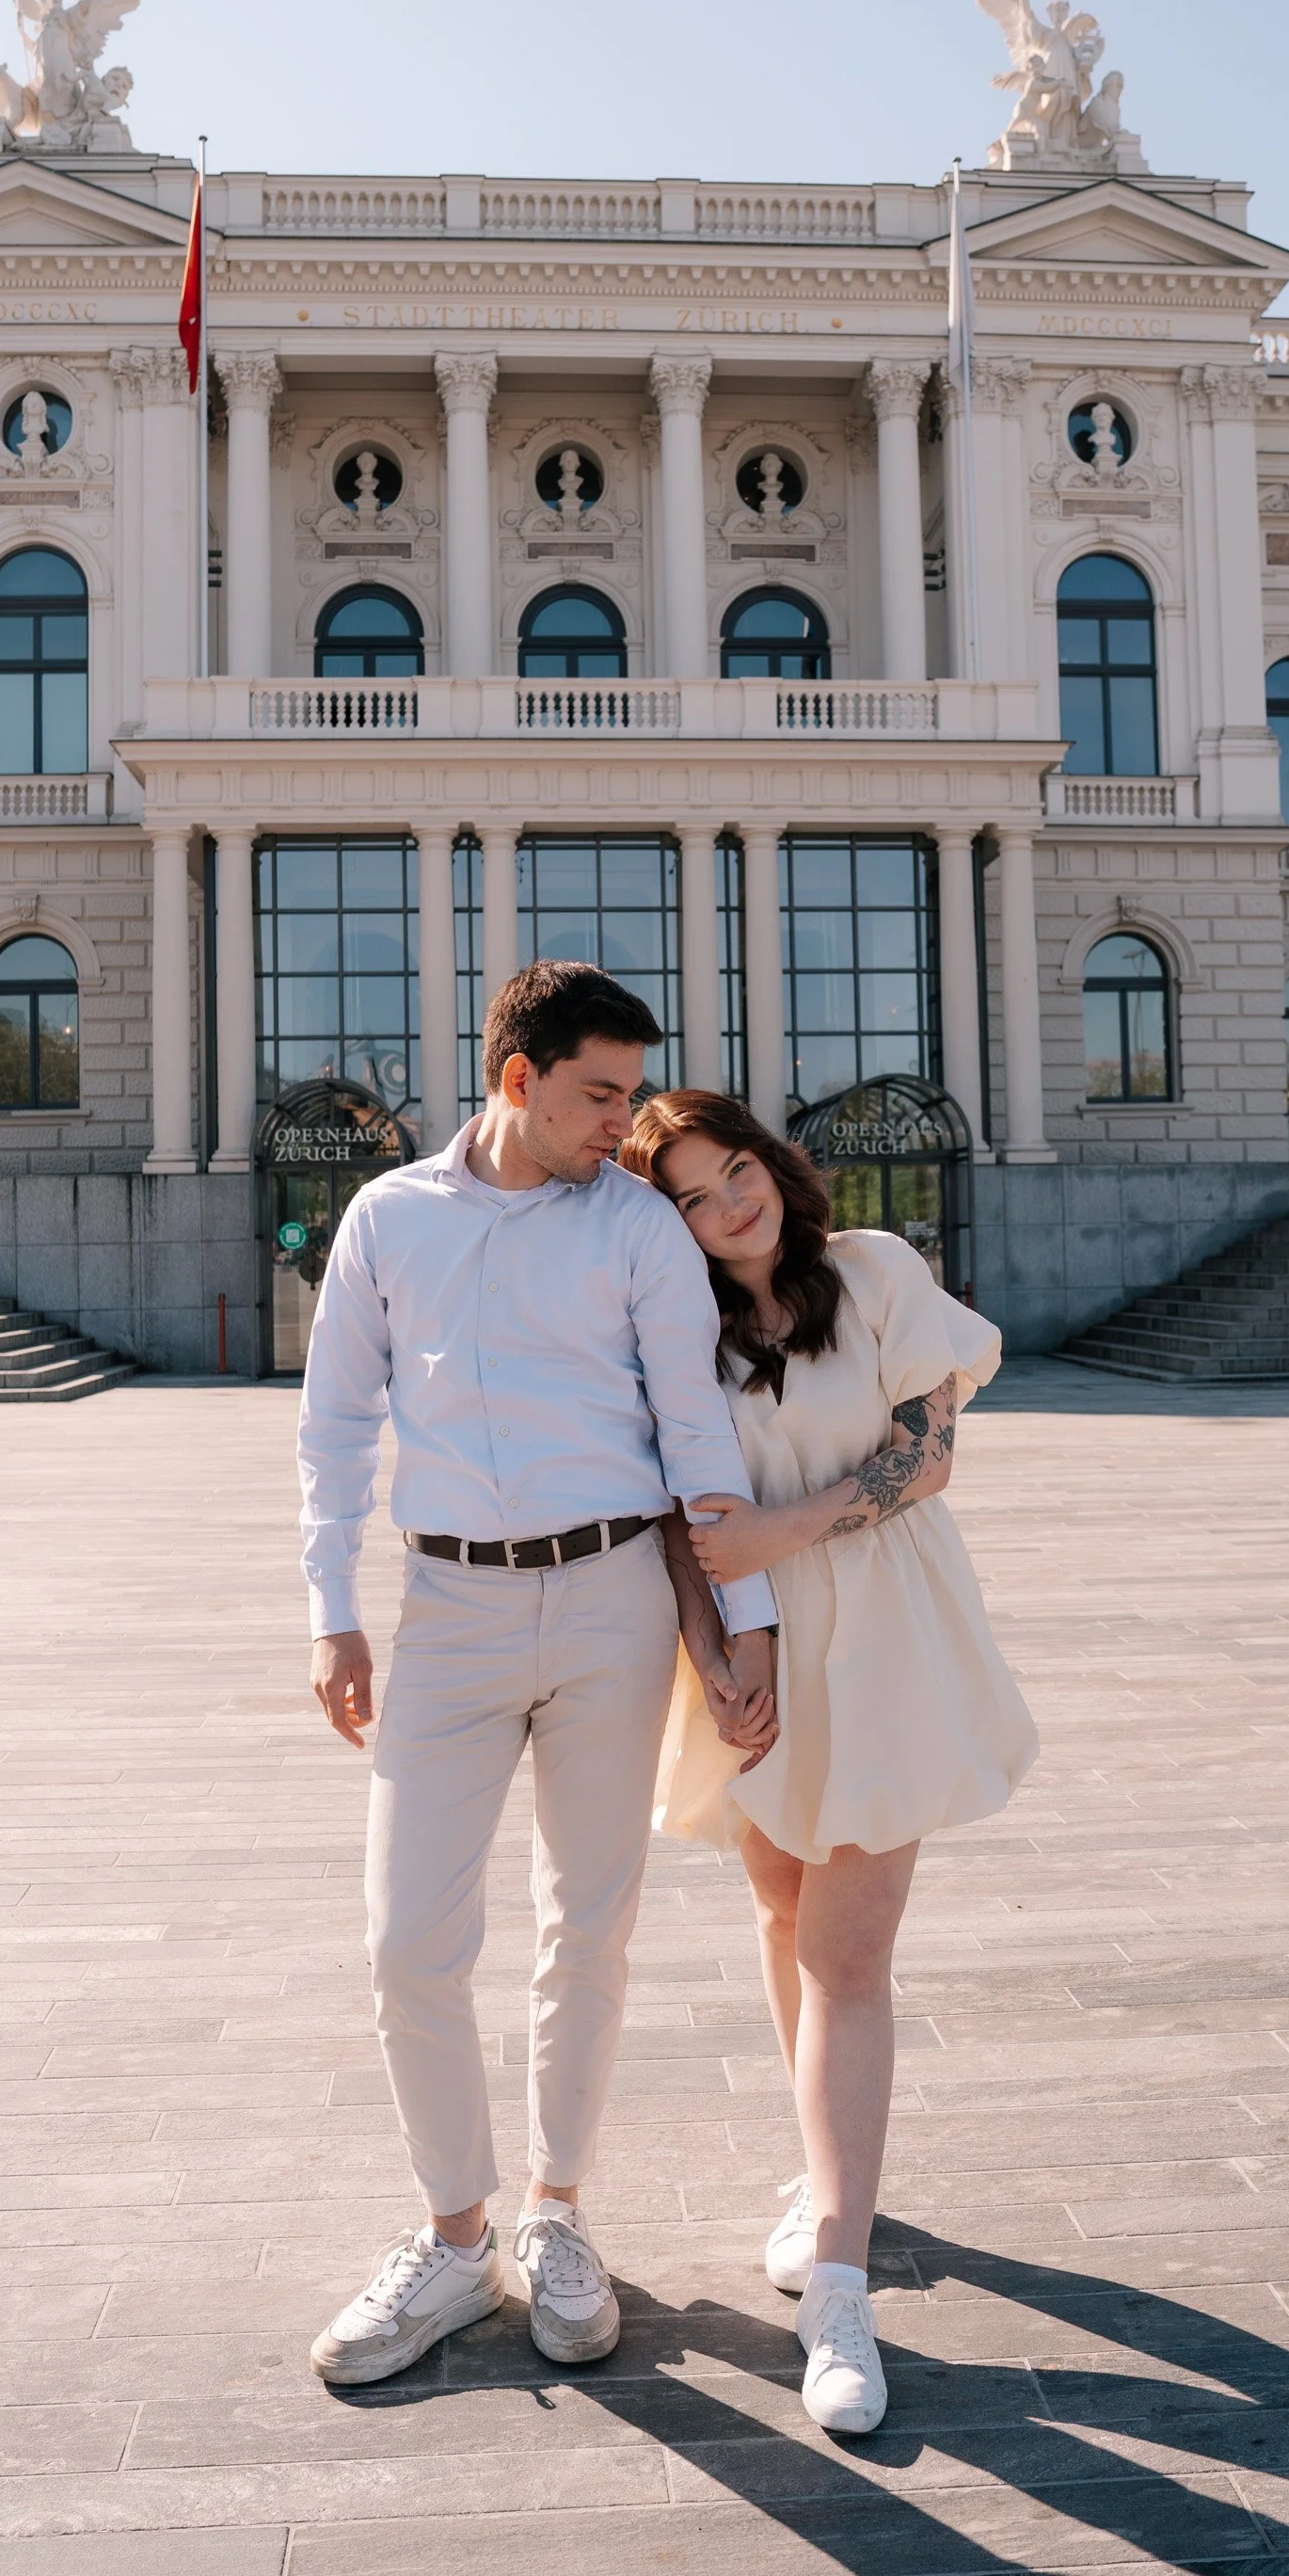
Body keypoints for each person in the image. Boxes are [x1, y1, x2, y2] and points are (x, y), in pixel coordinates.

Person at [298, 966, 779, 2387]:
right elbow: (335, 1429)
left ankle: (558, 2215)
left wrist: (743, 1622)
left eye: (630, 1094)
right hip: (446, 1607)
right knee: (407, 1939)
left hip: (614, 1603)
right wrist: (332, 1614)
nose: (623, 1124)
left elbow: (694, 1430)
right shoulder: (387, 1219)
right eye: (599, 1095)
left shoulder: (636, 1226)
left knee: (590, 1924)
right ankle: (456, 2239)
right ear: (518, 1078)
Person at [619, 1090, 1038, 2436]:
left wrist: (781, 1531)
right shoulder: (677, 1332)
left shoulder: (871, 1271)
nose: (726, 1205)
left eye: (734, 1170)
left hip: (886, 1630)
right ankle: (823, 2173)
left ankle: (841, 2291)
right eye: (691, 1197)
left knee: (848, 1953)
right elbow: (676, 1521)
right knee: (784, 1911)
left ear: (770, 1164)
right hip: (758, 1644)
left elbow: (928, 1458)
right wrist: (712, 1655)